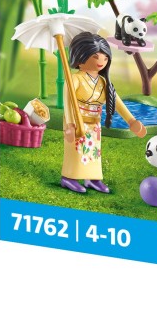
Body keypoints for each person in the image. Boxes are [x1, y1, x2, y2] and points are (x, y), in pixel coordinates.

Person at [61, 32, 146, 194]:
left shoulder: (103, 82)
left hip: (94, 124)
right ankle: (69, 177)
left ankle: (92, 179)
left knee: (94, 152)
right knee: (76, 152)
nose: (101, 61)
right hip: (77, 121)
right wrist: (70, 124)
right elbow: (68, 102)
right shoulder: (75, 80)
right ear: (80, 56)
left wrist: (131, 121)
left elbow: (117, 102)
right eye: (95, 56)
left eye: (105, 58)